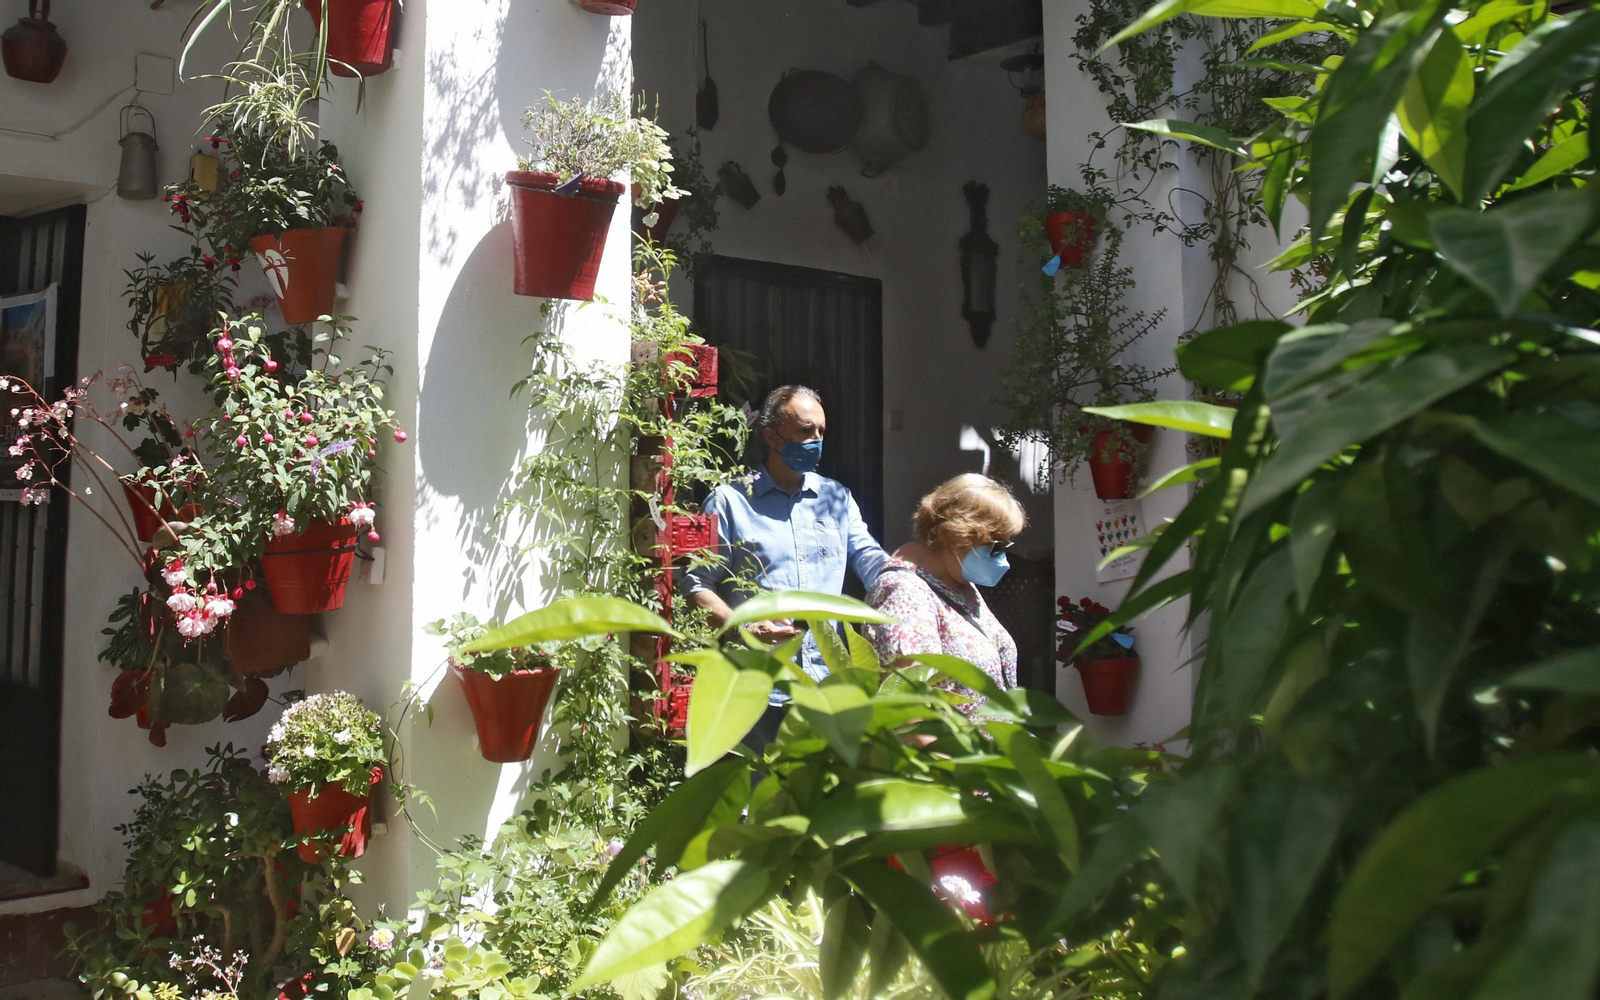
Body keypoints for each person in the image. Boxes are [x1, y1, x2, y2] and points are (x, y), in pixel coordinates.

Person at [682, 384, 889, 745]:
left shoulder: (836, 499)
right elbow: (696, 584)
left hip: (828, 687)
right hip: (758, 687)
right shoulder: (730, 501)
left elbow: (868, 558)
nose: (816, 441)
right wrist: (741, 628)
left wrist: (906, 581)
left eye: (822, 432)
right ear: (772, 437)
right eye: (805, 431)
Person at [863, 474, 1026, 713]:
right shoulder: (905, 592)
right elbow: (907, 710)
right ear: (958, 535)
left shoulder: (956, 579)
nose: (1003, 556)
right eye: (997, 545)